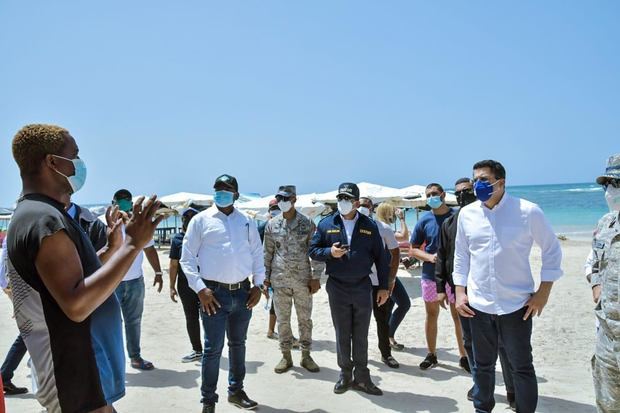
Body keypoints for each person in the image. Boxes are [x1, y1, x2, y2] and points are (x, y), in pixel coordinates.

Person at [6, 124, 162, 413]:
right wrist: (133, 246)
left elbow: (73, 281)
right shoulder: (44, 221)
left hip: (81, 369)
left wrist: (111, 250)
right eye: (74, 155)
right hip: (72, 372)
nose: (80, 164)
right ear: (52, 162)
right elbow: (76, 304)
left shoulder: (41, 214)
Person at [453, 159, 563, 413]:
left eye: (483, 180)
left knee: (521, 366)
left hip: (517, 306)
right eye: (475, 180)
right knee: (482, 366)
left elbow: (552, 250)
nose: (477, 185)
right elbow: (461, 255)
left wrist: (543, 293)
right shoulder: (467, 215)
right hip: (478, 306)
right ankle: (483, 409)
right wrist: (460, 292)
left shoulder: (528, 211)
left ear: (500, 183)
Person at [180, 174, 264, 413]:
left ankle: (236, 392)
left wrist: (258, 285)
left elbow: (257, 254)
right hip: (213, 294)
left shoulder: (247, 221)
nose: (221, 192)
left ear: (236, 194)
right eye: (218, 188)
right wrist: (200, 289)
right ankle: (208, 400)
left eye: (227, 189)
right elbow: (187, 259)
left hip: (243, 292)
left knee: (238, 345)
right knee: (212, 348)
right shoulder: (200, 220)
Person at [435, 177, 515, 408]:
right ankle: (479, 385)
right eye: (458, 192)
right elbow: (443, 257)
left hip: (488, 292)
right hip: (462, 294)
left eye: (466, 191)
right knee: (470, 342)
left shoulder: (489, 218)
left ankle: (512, 389)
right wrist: (441, 288)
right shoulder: (449, 223)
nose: (462, 196)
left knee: (500, 343)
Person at [309, 183, 389, 396]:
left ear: (356, 202)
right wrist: (329, 251)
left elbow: (382, 258)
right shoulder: (326, 224)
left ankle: (362, 377)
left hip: (363, 285)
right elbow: (313, 251)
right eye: (340, 198)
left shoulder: (370, 225)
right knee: (342, 332)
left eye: (347, 198)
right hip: (337, 286)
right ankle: (345, 374)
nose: (342, 202)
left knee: (361, 333)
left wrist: (383, 287)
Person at [410, 183, 467, 370]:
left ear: (443, 195)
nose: (431, 197)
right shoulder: (424, 220)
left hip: (455, 276)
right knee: (431, 314)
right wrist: (430, 257)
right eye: (428, 195)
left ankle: (464, 356)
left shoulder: (457, 216)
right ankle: (431, 354)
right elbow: (413, 249)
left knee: (459, 316)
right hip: (430, 275)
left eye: (434, 193)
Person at [264, 185, 321, 374]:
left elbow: (316, 252)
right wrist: (265, 279)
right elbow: (268, 253)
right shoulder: (272, 224)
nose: (282, 202)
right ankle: (286, 356)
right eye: (279, 198)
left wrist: (316, 277)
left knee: (305, 319)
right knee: (282, 320)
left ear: (294, 199)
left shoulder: (307, 223)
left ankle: (306, 355)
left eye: (285, 198)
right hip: (279, 280)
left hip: (303, 280)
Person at [110, 189, 164, 371]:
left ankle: (135, 357)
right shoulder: (104, 223)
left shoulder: (139, 223)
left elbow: (149, 249)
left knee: (134, 321)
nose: (125, 202)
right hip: (111, 282)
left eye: (127, 199)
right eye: (121, 199)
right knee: (110, 322)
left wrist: (158, 272)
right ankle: (113, 360)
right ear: (114, 201)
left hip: (135, 282)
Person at [589, 154, 620, 413]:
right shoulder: (606, 223)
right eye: (607, 184)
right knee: (608, 405)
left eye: (617, 184)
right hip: (607, 335)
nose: (610, 191)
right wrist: (596, 286)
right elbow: (595, 263)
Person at [358, 198, 401, 368]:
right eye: (360, 204)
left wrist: (391, 279)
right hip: (358, 282)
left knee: (382, 319)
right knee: (359, 321)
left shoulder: (383, 228)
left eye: (366, 205)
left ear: (372, 208)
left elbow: (395, 253)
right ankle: (360, 355)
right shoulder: (352, 227)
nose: (363, 208)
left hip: (378, 283)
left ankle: (386, 353)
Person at [374, 202, 412, 351]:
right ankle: (388, 336)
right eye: (392, 212)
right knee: (404, 304)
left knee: (388, 307)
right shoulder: (385, 228)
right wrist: (402, 218)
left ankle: (387, 338)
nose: (393, 216)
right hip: (388, 273)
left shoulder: (376, 226)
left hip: (383, 272)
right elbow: (404, 236)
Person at [169, 207, 203, 363]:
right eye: (185, 217)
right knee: (191, 317)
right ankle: (197, 350)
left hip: (205, 283)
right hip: (185, 285)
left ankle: (210, 350)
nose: (188, 219)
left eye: (192, 216)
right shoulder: (177, 239)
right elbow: (174, 264)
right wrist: (171, 286)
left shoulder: (204, 236)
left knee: (209, 316)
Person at [0, 238, 28, 396]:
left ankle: (5, 375)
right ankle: (4, 375)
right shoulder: (21, 220)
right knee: (28, 331)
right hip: (18, 286)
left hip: (14, 285)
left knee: (29, 331)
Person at [258, 199, 280, 340]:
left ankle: (271, 330)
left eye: (277, 207)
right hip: (268, 269)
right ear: (269, 210)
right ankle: (272, 330)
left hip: (280, 269)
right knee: (276, 300)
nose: (275, 209)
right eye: (273, 207)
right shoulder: (262, 227)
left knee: (277, 301)